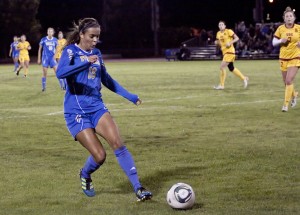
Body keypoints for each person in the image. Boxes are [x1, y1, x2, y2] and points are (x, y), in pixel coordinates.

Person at [56, 18, 152, 201]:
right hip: (75, 111)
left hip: (97, 107)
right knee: (100, 156)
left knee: (118, 143)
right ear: (82, 34)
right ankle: (85, 174)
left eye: (97, 37)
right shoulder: (70, 51)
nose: (94, 41)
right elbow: (60, 73)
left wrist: (130, 96)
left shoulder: (97, 53)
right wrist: (85, 62)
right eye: (91, 36)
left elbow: (106, 80)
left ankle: (139, 189)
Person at [272, 7, 300, 112]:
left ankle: (285, 105)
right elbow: (273, 42)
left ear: (294, 18)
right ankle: (294, 95)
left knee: (289, 80)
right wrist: (280, 41)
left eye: (290, 16)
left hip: (296, 57)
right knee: (286, 82)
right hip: (283, 57)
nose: (289, 18)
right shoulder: (280, 28)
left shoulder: (299, 28)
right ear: (284, 18)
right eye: (287, 16)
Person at [214, 20, 248, 90]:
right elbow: (219, 43)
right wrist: (217, 43)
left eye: (222, 25)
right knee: (231, 68)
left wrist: (230, 42)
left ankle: (222, 85)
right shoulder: (218, 33)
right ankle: (244, 78)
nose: (220, 26)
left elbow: (237, 38)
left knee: (222, 67)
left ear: (225, 26)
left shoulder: (229, 31)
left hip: (230, 52)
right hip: (225, 53)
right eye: (219, 25)